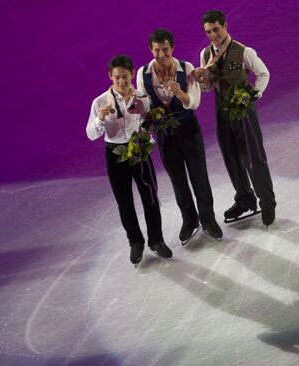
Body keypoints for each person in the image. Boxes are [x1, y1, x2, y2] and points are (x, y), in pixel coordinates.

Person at [136, 28, 222, 243]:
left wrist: (177, 92)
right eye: (157, 50)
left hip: (188, 130)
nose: (161, 54)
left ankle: (208, 219)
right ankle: (189, 220)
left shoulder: (187, 68)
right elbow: (145, 104)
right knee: (178, 181)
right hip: (165, 135)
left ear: (172, 47)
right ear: (151, 49)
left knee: (199, 176)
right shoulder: (143, 73)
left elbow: (194, 101)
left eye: (165, 49)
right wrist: (140, 111)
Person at [86, 54, 172, 267]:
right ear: (110, 77)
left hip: (139, 150)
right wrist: (100, 119)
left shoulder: (142, 97)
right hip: (115, 153)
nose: (122, 82)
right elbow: (90, 134)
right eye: (117, 78)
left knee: (150, 197)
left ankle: (157, 240)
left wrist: (150, 129)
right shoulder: (99, 102)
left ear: (132, 74)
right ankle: (135, 242)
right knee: (124, 202)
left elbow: (147, 123)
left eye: (125, 77)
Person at [194, 9, 276, 227]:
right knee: (231, 157)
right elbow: (208, 87)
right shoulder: (205, 55)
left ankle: (267, 202)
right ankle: (245, 199)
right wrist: (202, 80)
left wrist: (252, 96)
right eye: (208, 32)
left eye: (216, 30)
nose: (213, 35)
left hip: (243, 112)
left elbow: (263, 74)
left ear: (225, 26)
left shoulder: (243, 51)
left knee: (253, 157)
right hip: (221, 112)